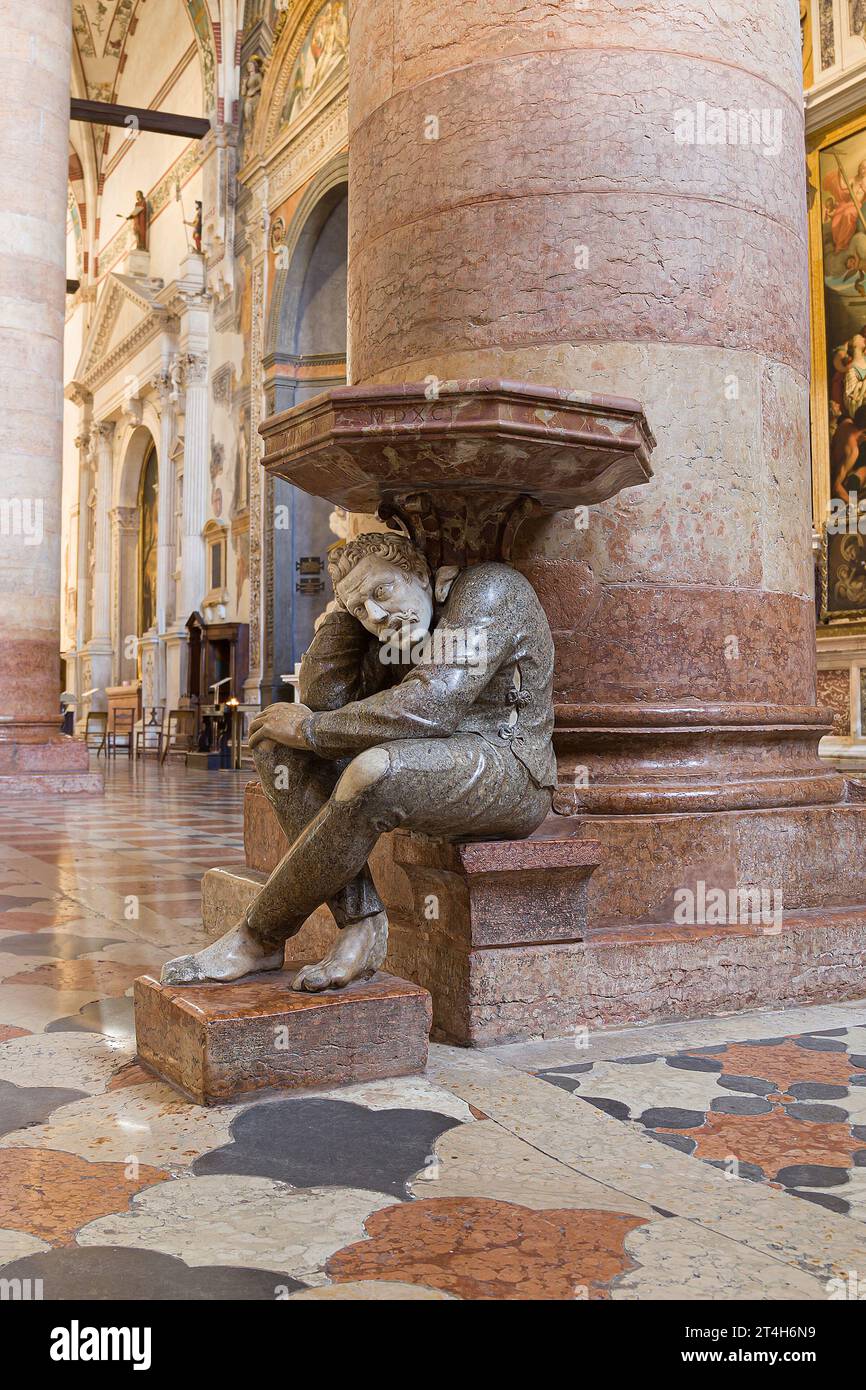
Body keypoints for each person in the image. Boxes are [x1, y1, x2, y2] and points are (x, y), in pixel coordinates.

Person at [161, 532, 557, 992]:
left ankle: (258, 935)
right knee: (275, 742)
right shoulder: (390, 630)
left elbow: (430, 705)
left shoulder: (489, 588)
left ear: (420, 572)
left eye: (383, 591)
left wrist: (310, 730)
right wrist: (345, 615)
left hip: (509, 769)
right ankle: (361, 920)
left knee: (370, 771)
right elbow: (324, 700)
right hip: (432, 758)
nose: (376, 615)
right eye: (361, 608)